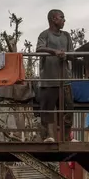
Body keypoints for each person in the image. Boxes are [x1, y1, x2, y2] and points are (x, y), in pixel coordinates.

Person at [36, 9, 75, 142]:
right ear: (53, 19)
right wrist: (55, 51)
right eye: (61, 17)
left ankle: (67, 138)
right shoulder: (44, 35)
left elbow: (72, 54)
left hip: (64, 79)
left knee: (68, 109)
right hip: (48, 80)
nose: (64, 20)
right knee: (47, 110)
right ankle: (47, 136)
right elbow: (39, 49)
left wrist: (66, 55)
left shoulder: (66, 36)